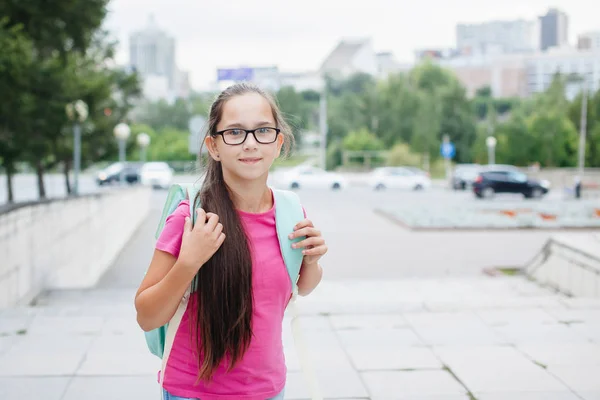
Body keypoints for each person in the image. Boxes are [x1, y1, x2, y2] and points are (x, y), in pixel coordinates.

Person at [134, 82, 328, 400]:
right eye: (235, 133)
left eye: (262, 131)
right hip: (192, 393)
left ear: (278, 142)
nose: (250, 144)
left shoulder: (290, 211)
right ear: (214, 146)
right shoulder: (191, 216)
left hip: (268, 391)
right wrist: (189, 262)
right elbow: (147, 315)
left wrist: (311, 261)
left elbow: (299, 287)